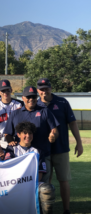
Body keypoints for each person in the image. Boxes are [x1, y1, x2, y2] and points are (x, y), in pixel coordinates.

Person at [36, 78, 83, 214]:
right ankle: (46, 209)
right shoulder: (35, 104)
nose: (44, 91)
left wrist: (79, 143)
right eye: (41, 89)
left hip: (61, 148)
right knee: (45, 182)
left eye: (46, 88)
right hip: (44, 150)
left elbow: (73, 123)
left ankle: (66, 210)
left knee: (64, 180)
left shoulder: (62, 102)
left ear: (51, 88)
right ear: (38, 90)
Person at [3, 86, 59, 183]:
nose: (31, 99)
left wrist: (53, 135)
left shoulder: (44, 111)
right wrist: (10, 141)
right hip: (20, 155)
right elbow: (7, 133)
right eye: (28, 97)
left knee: (44, 187)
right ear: (23, 98)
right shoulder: (15, 113)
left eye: (33, 97)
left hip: (42, 154)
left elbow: (55, 130)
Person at [10, 121, 55, 214]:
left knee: (47, 189)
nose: (28, 136)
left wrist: (28, 184)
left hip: (32, 183)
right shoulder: (11, 149)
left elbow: (40, 174)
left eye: (30, 133)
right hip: (14, 183)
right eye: (25, 133)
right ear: (18, 134)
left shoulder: (38, 151)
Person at [0, 80, 23, 147]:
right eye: (3, 91)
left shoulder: (19, 104)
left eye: (7, 90)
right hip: (1, 139)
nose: (6, 92)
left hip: (17, 137)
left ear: (11, 90)